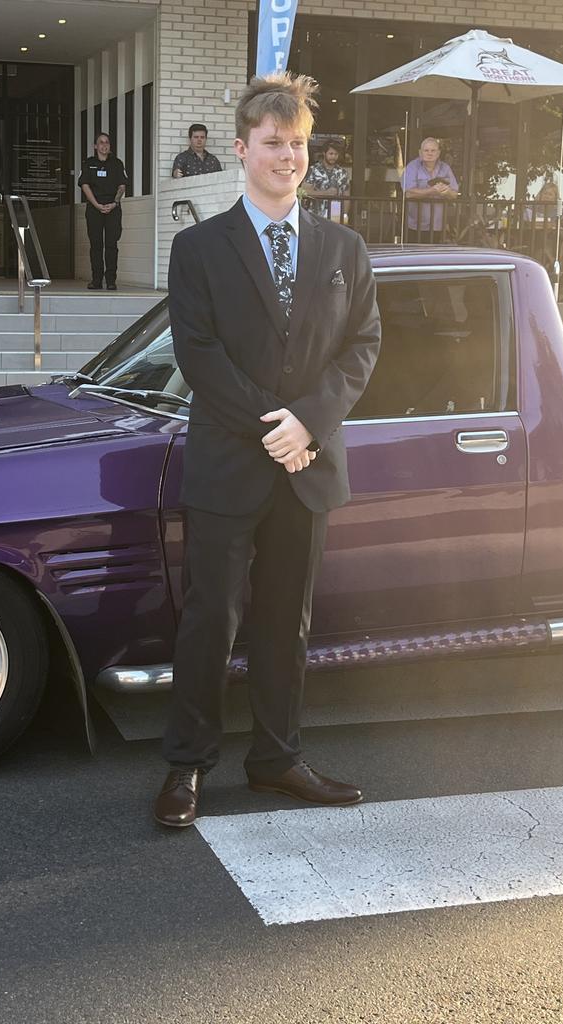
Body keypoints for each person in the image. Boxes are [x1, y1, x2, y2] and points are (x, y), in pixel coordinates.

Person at [154, 71, 382, 829]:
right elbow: (200, 355)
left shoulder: (344, 247)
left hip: (307, 468)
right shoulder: (197, 248)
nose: (289, 157)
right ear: (242, 148)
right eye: (274, 144)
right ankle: (186, 765)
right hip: (231, 464)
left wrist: (309, 424)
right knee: (210, 621)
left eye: (300, 144)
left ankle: (277, 759)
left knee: (289, 621)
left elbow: (363, 346)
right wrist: (274, 427)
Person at [78, 133, 127, 290]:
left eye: (107, 142)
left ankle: (111, 280)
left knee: (111, 244)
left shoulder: (117, 164)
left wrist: (114, 203)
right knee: (96, 245)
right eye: (101, 142)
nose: (104, 145)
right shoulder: (88, 163)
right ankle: (96, 280)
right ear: (95, 146)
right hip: (94, 209)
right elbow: (84, 185)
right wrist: (97, 204)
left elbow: (122, 186)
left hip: (113, 208)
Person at [402, 137, 459, 241]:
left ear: (438, 153)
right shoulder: (412, 167)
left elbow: (454, 194)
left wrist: (447, 192)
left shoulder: (445, 168)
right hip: (416, 226)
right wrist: (431, 191)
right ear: (420, 152)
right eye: (426, 150)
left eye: (433, 151)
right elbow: (408, 193)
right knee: (416, 256)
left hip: (439, 225)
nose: (430, 153)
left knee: (435, 256)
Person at [303, 139, 349, 218]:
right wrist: (326, 193)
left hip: (335, 214)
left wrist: (344, 215)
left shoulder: (342, 172)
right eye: (331, 154)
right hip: (316, 214)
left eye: (336, 154)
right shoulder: (313, 170)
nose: (333, 157)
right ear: (324, 153)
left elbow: (347, 196)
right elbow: (305, 191)